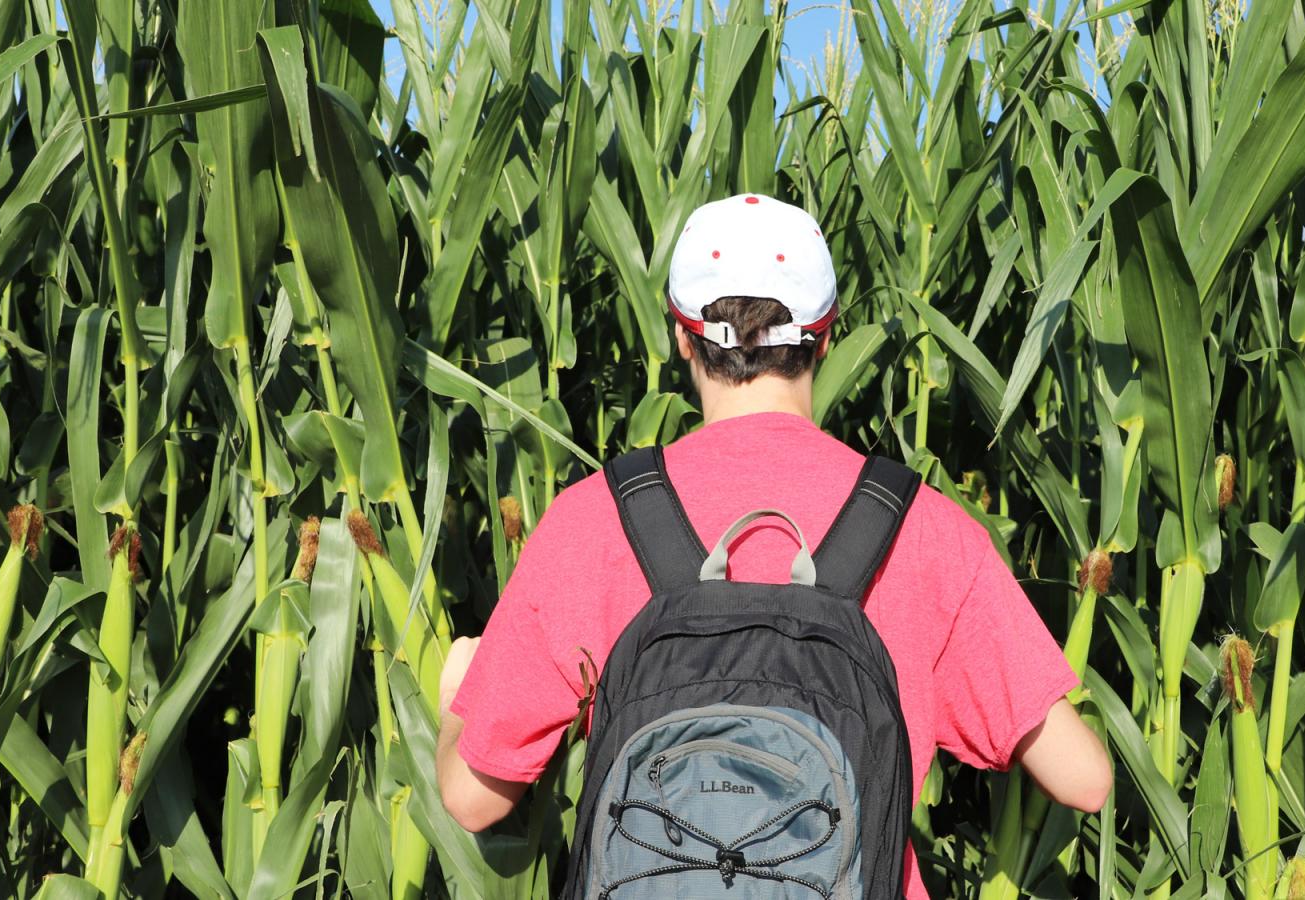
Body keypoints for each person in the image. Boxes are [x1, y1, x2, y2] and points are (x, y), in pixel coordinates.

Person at [435, 193, 1112, 898]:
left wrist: (457, 697)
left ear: (681, 335)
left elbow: (472, 797)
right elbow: (1084, 780)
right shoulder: (925, 530)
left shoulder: (593, 521)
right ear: (825, 335)